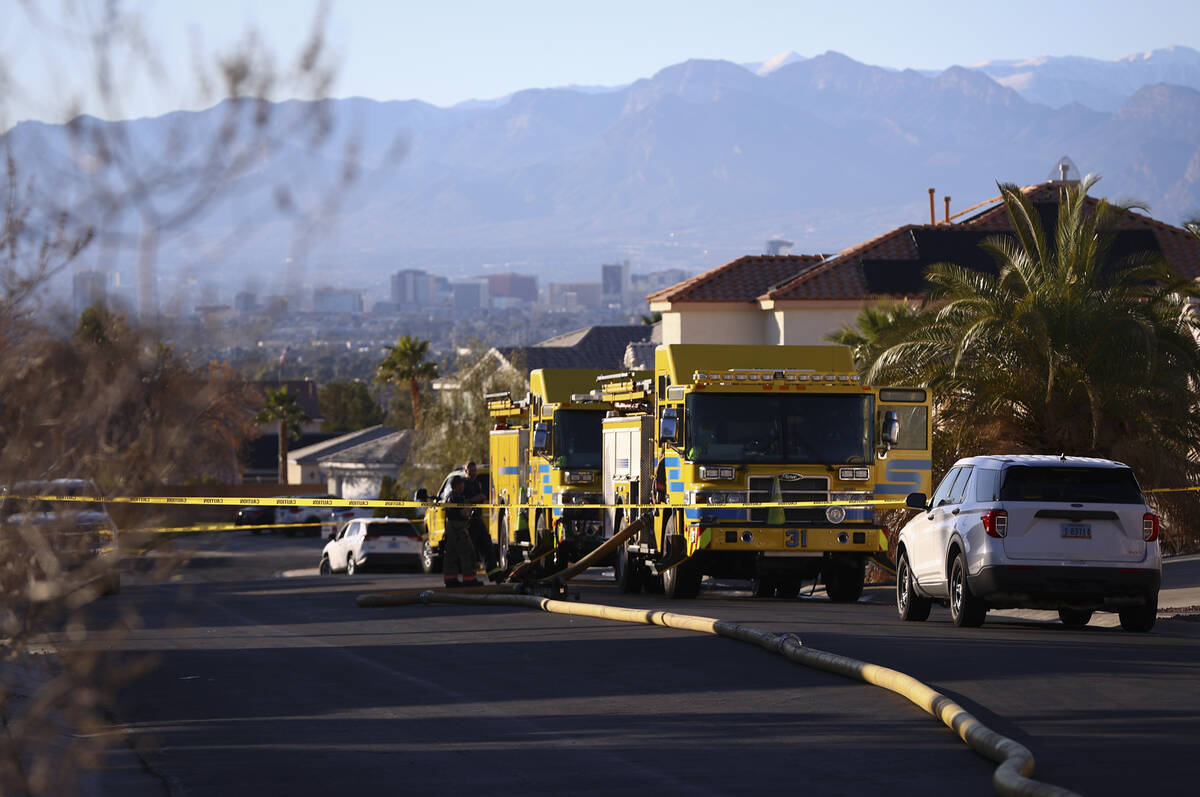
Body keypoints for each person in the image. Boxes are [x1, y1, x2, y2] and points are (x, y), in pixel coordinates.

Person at [462, 460, 504, 582]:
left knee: (487, 546)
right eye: (471, 470)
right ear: (466, 471)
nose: (473, 473)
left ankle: (494, 574)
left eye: (475, 470)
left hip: (477, 520)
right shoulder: (462, 485)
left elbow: (484, 496)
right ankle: (470, 578)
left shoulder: (477, 484)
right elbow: (461, 501)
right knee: (471, 551)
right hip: (467, 523)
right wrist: (475, 499)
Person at [439, 475, 481, 588]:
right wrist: (470, 509)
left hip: (451, 527)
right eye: (462, 483)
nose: (464, 485)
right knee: (468, 552)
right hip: (458, 528)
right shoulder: (457, 497)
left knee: (451, 554)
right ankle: (469, 579)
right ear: (457, 485)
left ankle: (450, 580)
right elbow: (463, 513)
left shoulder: (449, 496)